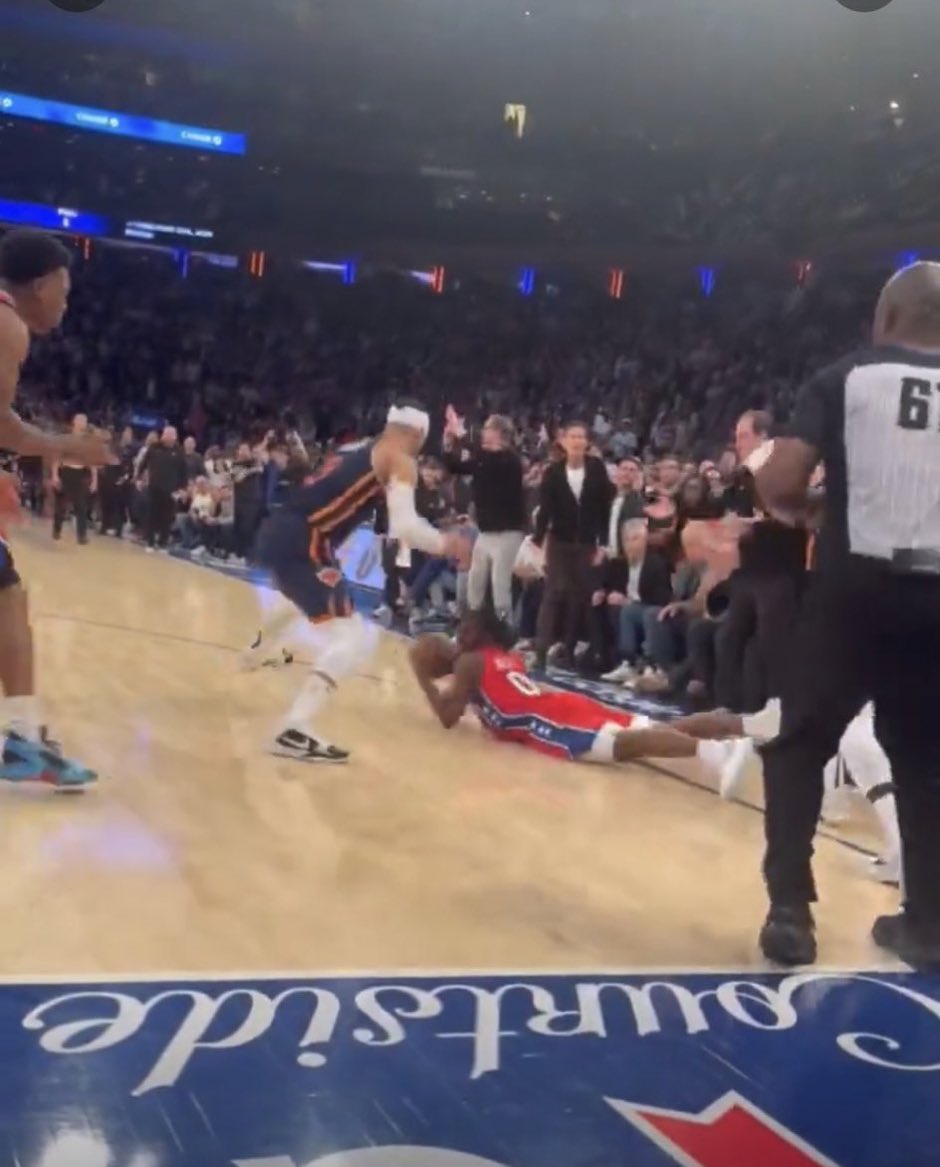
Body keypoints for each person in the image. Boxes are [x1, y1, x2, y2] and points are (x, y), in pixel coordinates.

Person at [755, 260, 940, 970]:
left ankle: (791, 911)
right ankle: (926, 923)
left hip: (854, 593)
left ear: (886, 318)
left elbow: (781, 479)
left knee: (800, 744)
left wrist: (808, 507)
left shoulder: (844, 377)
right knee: (925, 761)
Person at [244, 401, 471, 762]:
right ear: (417, 434)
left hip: (284, 529)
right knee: (355, 636)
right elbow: (406, 527)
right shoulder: (399, 458)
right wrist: (448, 544)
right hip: (307, 539)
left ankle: (253, 653)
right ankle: (294, 727)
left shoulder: (363, 447)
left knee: (300, 601)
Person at [409, 609, 780, 785]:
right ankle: (743, 723)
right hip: (559, 705)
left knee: (627, 746)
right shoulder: (499, 656)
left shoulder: (470, 664)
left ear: (482, 633)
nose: (460, 633)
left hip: (548, 721)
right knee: (661, 728)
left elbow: (447, 717)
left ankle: (715, 753)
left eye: (466, 627)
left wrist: (421, 675)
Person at [0, 228, 112, 789]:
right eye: (63, 293)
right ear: (39, 285)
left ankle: (21, 737)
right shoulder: (7, 324)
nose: (66, 305)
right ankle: (19, 741)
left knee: (7, 596)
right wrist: (68, 446)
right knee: (7, 600)